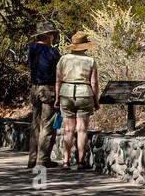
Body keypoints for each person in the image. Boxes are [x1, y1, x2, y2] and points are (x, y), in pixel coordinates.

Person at [54, 31, 100, 170]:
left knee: (68, 129)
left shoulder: (63, 59)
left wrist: (57, 98)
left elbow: (58, 80)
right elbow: (94, 83)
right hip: (84, 94)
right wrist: (96, 99)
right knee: (82, 129)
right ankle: (80, 161)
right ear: (85, 46)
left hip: (66, 93)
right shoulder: (90, 61)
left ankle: (66, 161)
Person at [27, 21, 60, 170]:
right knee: (47, 124)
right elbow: (58, 72)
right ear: (47, 35)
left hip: (34, 88)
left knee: (36, 124)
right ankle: (43, 159)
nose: (53, 37)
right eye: (51, 34)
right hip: (48, 89)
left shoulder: (31, 50)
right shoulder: (51, 52)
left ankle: (32, 158)